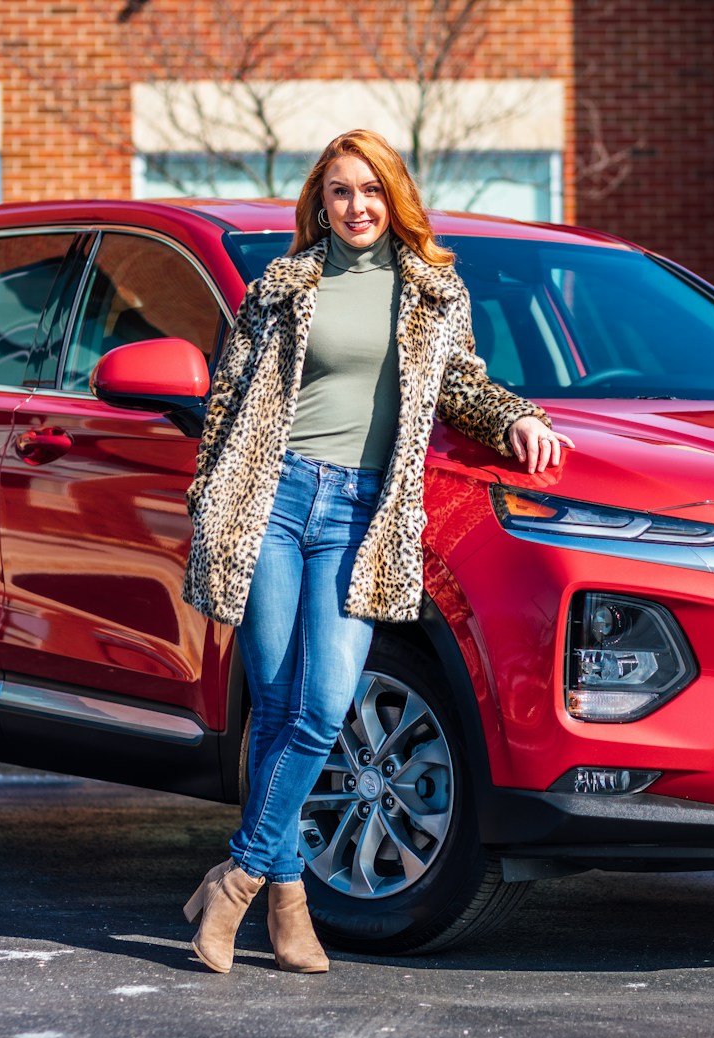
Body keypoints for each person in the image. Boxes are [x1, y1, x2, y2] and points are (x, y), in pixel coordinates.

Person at [178, 129, 573, 973]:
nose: (357, 206)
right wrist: (211, 499)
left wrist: (516, 417)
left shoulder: (434, 292)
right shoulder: (281, 288)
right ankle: (290, 908)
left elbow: (461, 382)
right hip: (274, 501)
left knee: (324, 704)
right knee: (278, 705)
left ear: (394, 197)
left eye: (370, 190)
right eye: (339, 192)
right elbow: (226, 401)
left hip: (363, 512)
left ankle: (237, 877)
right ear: (318, 205)